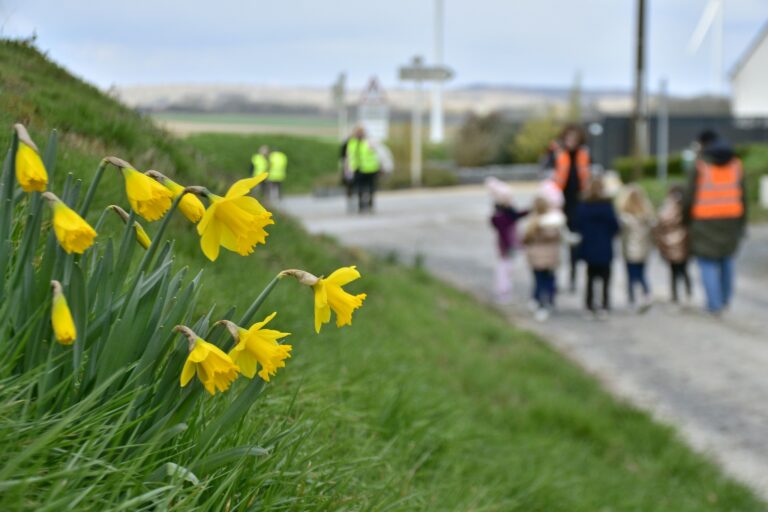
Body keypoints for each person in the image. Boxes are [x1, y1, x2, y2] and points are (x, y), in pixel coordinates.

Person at [683, 130, 747, 315]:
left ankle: (714, 304)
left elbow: (689, 197)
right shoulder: (736, 164)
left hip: (704, 221)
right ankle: (725, 300)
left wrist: (685, 220)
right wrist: (742, 223)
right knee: (726, 259)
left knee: (707, 262)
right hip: (731, 220)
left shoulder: (700, 165)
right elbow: (743, 196)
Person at [552, 125, 591, 292]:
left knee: (575, 243)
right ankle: (552, 279)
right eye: (568, 137)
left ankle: (573, 277)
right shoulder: (557, 155)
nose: (571, 141)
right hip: (560, 204)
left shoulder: (584, 155)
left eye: (574, 138)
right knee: (555, 241)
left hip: (578, 205)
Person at [576, 176, 619, 319]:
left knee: (590, 277)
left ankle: (589, 305)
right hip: (604, 246)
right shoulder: (607, 206)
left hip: (589, 247)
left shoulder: (584, 206)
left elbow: (577, 225)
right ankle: (604, 305)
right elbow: (615, 226)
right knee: (606, 278)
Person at [523, 195, 565, 321]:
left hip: (535, 258)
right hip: (550, 258)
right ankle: (550, 301)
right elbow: (560, 238)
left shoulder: (531, 223)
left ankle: (538, 301)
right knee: (550, 280)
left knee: (538, 281)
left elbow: (525, 240)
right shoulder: (554, 223)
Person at [487, 177, 529, 304]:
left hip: (510, 244)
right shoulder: (500, 216)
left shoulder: (509, 212)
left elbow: (518, 215)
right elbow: (504, 231)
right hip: (506, 246)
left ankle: (505, 290)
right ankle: (503, 291)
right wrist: (510, 246)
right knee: (504, 269)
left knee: (508, 268)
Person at [617, 185, 655, 312]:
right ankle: (647, 294)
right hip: (644, 251)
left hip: (629, 251)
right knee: (642, 274)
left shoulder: (625, 218)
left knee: (631, 276)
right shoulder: (647, 217)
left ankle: (632, 299)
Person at [655, 184, 692, 305]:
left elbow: (660, 225)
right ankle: (688, 292)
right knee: (684, 270)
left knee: (673, 271)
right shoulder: (686, 207)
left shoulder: (666, 208)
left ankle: (675, 295)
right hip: (684, 244)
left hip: (669, 244)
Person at [345, 126, 381, 213]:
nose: (359, 134)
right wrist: (348, 167)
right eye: (357, 132)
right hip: (358, 169)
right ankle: (361, 205)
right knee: (359, 188)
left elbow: (376, 153)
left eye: (360, 132)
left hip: (370, 169)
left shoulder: (368, 141)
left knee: (371, 188)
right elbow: (349, 156)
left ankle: (370, 204)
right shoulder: (351, 142)